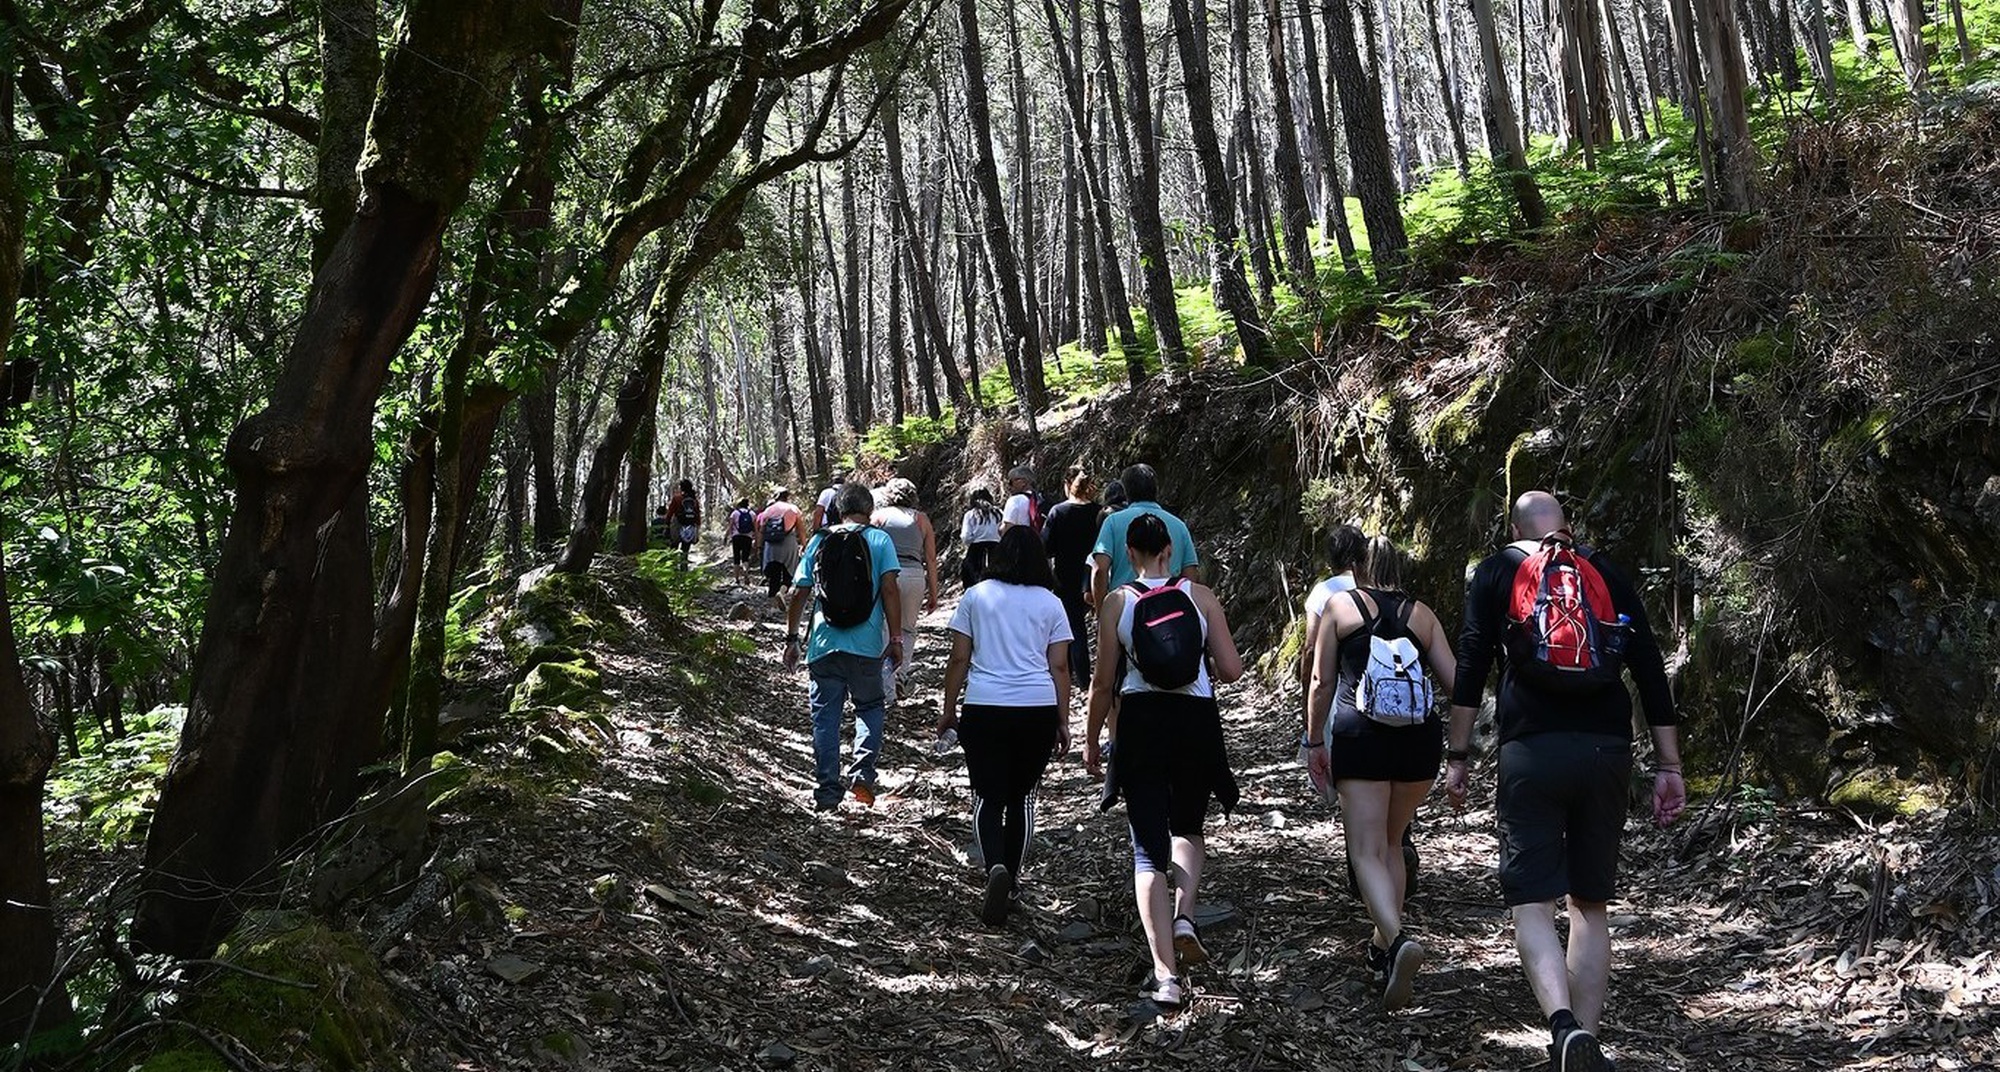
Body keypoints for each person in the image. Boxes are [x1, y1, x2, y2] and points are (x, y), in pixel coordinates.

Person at [1446, 491, 1685, 1072]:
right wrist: (1669, 764)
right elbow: (1649, 665)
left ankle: (1561, 1027)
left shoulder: (1498, 571)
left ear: (1513, 528)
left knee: (1532, 900)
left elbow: (1473, 659)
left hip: (1532, 750)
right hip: (1607, 750)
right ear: (1567, 527)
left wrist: (1458, 754)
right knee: (1591, 904)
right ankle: (1586, 1040)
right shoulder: (1603, 570)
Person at [1083, 513, 1243, 1009]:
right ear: (1169, 552)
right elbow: (1233, 669)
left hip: (1143, 722)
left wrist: (1092, 741)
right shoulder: (1201, 596)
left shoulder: (1117, 602)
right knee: (1189, 826)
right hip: (1195, 720)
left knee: (1147, 851)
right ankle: (1185, 916)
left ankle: (1165, 976)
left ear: (1129, 554)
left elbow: (1104, 682)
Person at [1303, 535, 1458, 1012]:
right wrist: (1461, 750)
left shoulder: (1340, 607)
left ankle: (1395, 941)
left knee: (1366, 849)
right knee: (1392, 843)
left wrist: (1313, 741)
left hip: (1361, 737)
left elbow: (1321, 680)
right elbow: (1455, 680)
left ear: (1359, 568)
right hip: (1418, 741)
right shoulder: (1423, 614)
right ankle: (1382, 948)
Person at [937, 527, 1073, 925]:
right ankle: (1012, 881)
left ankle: (994, 866)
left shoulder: (976, 596)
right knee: (1022, 799)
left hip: (985, 706)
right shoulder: (1050, 603)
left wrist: (949, 709)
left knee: (986, 797)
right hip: (1036, 707)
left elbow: (959, 659)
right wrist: (1062, 719)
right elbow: (1060, 666)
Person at [785, 483, 903, 811]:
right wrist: (895, 639)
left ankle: (826, 792)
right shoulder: (880, 539)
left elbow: (799, 593)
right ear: (870, 510)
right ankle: (863, 774)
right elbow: (890, 591)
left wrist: (792, 639)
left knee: (825, 718)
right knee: (869, 707)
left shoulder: (821, 540)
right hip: (866, 645)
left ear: (838, 508)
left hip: (824, 644)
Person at [1089, 464, 1199, 613]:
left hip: (1125, 608)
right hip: (1171, 610)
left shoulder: (1113, 522)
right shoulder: (1179, 525)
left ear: (1127, 492)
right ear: (1156, 490)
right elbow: (1190, 575)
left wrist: (1102, 612)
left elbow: (1100, 570)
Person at [871, 478, 940, 700]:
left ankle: (886, 689)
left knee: (884, 627)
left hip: (885, 573)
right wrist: (933, 592)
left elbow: (869, 549)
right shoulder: (921, 519)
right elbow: (930, 558)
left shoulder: (879, 517)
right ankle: (900, 675)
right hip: (913, 575)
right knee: (908, 629)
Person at [1039, 466, 1101, 694]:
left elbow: (1045, 547)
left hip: (1065, 578)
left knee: (1072, 628)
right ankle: (1094, 677)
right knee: (1096, 628)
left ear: (1067, 484)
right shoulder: (1099, 512)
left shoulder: (1058, 512)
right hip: (1095, 576)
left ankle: (1079, 678)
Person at [754, 489, 802, 604]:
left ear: (775, 497)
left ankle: (772, 601)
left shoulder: (768, 510)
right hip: (789, 543)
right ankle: (782, 591)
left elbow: (762, 530)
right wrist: (804, 544)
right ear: (787, 497)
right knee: (789, 572)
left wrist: (759, 547)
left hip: (771, 545)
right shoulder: (793, 509)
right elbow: (801, 530)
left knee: (774, 573)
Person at [959, 489, 1002, 589]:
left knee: (973, 581)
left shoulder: (970, 515)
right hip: (996, 549)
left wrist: (975, 537)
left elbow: (965, 537)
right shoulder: (999, 513)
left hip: (976, 550)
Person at [1000, 464, 1043, 533]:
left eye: (1011, 482)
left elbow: (1007, 528)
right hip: (1036, 541)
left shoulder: (1014, 500)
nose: (1009, 486)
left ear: (1023, 482)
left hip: (1019, 542)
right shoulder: (1040, 499)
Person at [667, 478, 700, 565]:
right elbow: (697, 515)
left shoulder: (677, 498)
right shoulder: (694, 500)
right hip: (690, 526)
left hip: (677, 525)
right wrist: (697, 528)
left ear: (681, 488)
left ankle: (671, 570)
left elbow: (670, 512)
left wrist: (667, 524)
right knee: (685, 551)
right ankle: (684, 571)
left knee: (673, 548)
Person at [727, 498, 757, 586]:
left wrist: (726, 536)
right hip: (748, 537)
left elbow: (730, 526)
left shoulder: (735, 513)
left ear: (739, 504)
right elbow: (755, 529)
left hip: (736, 537)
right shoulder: (752, 514)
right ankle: (745, 574)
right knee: (745, 557)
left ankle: (736, 579)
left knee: (736, 558)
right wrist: (757, 541)